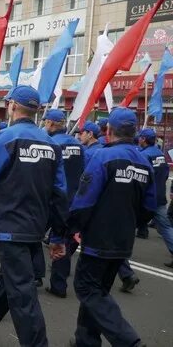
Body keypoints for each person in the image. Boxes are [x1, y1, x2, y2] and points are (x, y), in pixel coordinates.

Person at [0, 86, 68, 346]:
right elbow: (61, 193)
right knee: (9, 279)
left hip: (11, 225)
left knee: (23, 295)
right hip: (36, 226)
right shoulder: (50, 144)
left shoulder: (7, 137)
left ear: (13, 107)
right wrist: (59, 235)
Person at [67, 108, 156, 347]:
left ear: (109, 131)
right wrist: (130, 223)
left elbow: (84, 200)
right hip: (123, 240)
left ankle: (129, 341)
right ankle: (85, 340)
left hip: (98, 238)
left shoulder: (103, 157)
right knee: (98, 291)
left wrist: (72, 229)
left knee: (87, 288)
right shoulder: (144, 162)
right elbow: (150, 206)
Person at [43, 109, 85, 299]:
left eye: (45, 123)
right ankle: (59, 285)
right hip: (73, 201)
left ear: (51, 123)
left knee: (32, 238)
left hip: (52, 200)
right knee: (64, 241)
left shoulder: (50, 144)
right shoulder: (78, 145)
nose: (44, 126)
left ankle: (34, 275)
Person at [138, 128, 173, 268]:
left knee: (127, 225)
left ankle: (119, 257)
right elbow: (165, 175)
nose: (139, 139)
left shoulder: (143, 155)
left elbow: (141, 178)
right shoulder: (160, 154)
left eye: (140, 138)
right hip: (159, 197)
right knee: (165, 227)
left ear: (144, 139)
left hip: (146, 199)